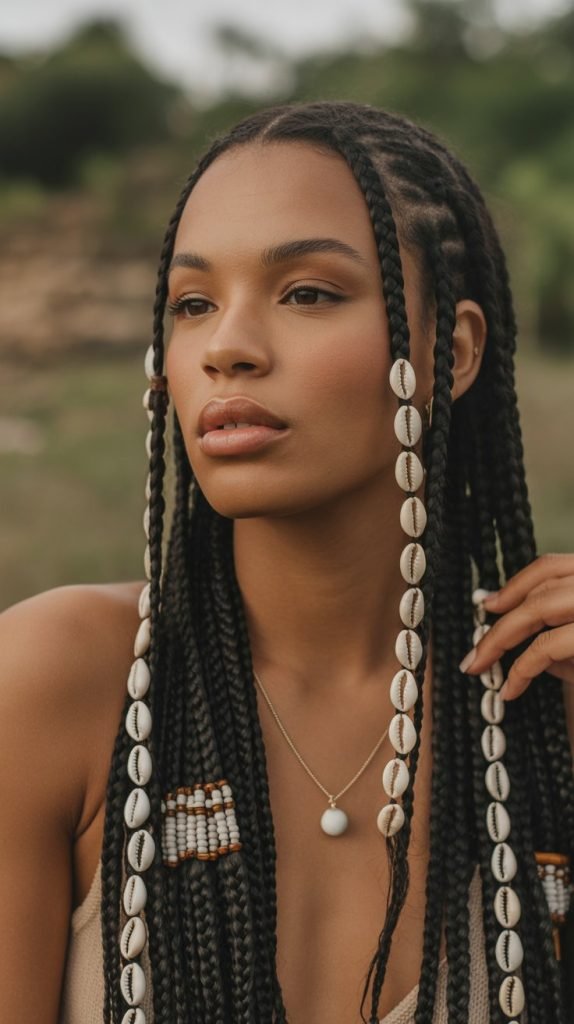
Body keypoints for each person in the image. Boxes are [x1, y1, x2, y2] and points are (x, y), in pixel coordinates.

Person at [1, 100, 573, 1024]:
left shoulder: (546, 707)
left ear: (451, 351)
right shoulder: (59, 686)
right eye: (194, 304)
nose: (227, 347)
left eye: (307, 293)